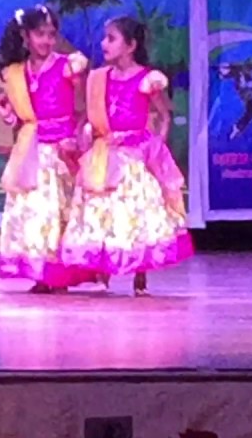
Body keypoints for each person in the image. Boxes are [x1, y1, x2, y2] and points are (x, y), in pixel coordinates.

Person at [61, 16, 194, 296]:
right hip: (103, 155)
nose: (104, 44)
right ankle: (103, 274)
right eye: (104, 37)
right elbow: (89, 116)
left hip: (133, 160)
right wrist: (85, 134)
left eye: (111, 38)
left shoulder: (147, 79)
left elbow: (163, 116)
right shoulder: (99, 78)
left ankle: (140, 277)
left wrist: (155, 145)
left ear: (131, 45)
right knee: (101, 212)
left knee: (136, 213)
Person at [0, 5, 98, 293]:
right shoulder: (17, 73)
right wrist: (9, 115)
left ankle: (58, 274)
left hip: (60, 152)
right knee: (34, 213)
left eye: (52, 34)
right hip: (31, 152)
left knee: (59, 213)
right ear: (26, 36)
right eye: (40, 34)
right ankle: (41, 273)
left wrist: (75, 137)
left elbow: (83, 108)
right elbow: (22, 117)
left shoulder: (68, 66)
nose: (47, 41)